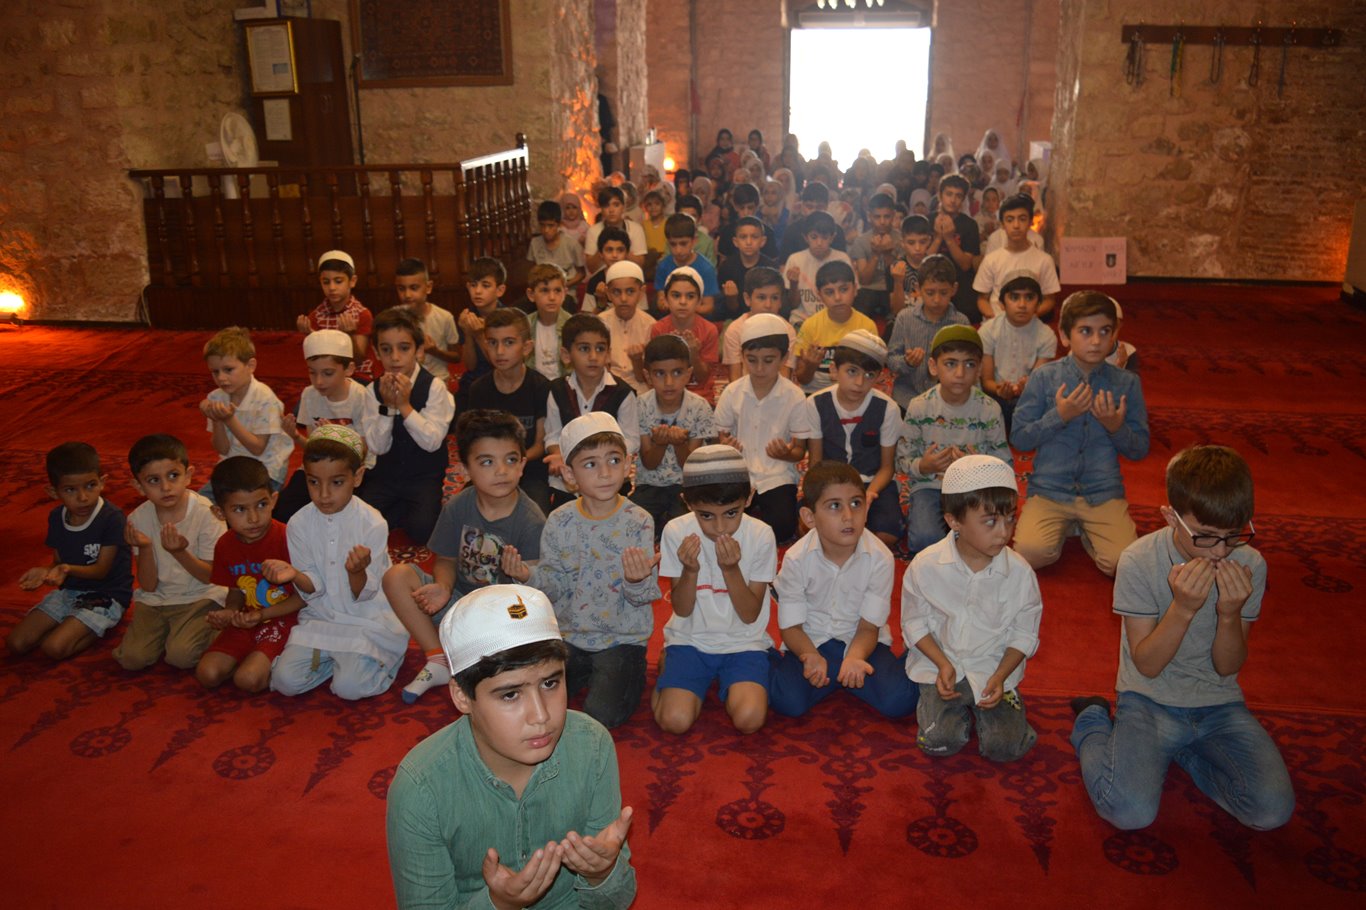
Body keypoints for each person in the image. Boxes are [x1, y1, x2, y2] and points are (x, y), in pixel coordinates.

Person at [1070, 445, 1293, 831]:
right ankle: (1091, 723)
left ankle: (1184, 754)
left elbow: (1228, 666)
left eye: (1233, 535)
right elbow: (1148, 664)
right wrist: (1184, 608)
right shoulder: (1139, 560)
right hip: (1148, 699)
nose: (1221, 551)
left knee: (1272, 811)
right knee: (1129, 812)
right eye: (1205, 537)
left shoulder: (1250, 563)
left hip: (1218, 703)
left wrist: (1229, 612)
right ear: (1171, 517)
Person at [385, 584, 636, 910]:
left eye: (550, 683)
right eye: (510, 694)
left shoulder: (592, 746)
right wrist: (497, 904)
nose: (541, 716)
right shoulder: (421, 786)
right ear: (462, 696)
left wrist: (601, 874)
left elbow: (617, 900)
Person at [502, 413, 660, 729]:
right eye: (590, 464)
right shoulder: (559, 521)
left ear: (628, 464)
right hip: (570, 636)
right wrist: (526, 576)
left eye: (613, 460)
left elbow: (643, 599)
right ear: (569, 475)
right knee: (532, 692)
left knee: (601, 715)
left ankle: (618, 673)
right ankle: (586, 670)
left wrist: (636, 579)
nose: (604, 473)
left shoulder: (638, 521)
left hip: (621, 639)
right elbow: (555, 585)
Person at [383, 410, 546, 703]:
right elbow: (445, 559)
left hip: (502, 617)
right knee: (396, 576)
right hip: (459, 605)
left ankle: (472, 656)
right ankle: (438, 660)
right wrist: (443, 588)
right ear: (465, 468)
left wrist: (520, 576)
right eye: (487, 462)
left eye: (510, 460)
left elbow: (533, 600)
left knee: (511, 658)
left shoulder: (531, 520)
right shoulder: (459, 505)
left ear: (522, 464)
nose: (501, 471)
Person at [902, 454, 1041, 762]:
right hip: (940, 667)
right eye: (990, 521)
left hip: (994, 668)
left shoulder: (1020, 573)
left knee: (1005, 749)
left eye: (1009, 519)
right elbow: (914, 625)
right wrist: (942, 664)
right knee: (938, 742)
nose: (1003, 532)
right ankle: (955, 711)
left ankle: (1001, 704)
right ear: (954, 521)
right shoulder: (925, 566)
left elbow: (1023, 634)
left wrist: (1001, 675)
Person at [1011, 292, 1149, 577]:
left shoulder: (1127, 383)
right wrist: (1059, 416)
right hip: (1050, 490)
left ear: (1115, 335)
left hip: (1102, 492)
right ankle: (1070, 526)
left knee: (1123, 565)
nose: (1096, 341)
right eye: (1085, 331)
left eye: (1104, 332)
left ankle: (1085, 529)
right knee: (1030, 555)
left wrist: (1115, 427)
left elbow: (1140, 449)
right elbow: (1020, 438)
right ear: (1064, 335)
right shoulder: (1044, 378)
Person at [768, 462, 920, 718]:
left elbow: (869, 627)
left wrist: (855, 657)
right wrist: (809, 656)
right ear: (809, 517)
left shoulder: (880, 557)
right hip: (812, 641)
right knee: (786, 702)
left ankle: (865, 669)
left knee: (900, 700)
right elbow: (791, 627)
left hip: (862, 641)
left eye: (856, 503)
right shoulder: (796, 558)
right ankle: (774, 659)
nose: (849, 516)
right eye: (835, 506)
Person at [268, 427, 406, 700]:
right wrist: (295, 575)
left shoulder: (372, 523)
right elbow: (313, 587)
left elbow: (365, 592)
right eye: (313, 482)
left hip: (364, 619)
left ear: (357, 477)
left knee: (349, 689)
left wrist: (356, 572)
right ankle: (340, 659)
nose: (324, 495)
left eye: (336, 482)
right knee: (285, 681)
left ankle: (378, 660)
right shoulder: (298, 523)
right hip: (321, 617)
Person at [654, 445, 777, 735]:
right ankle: (669, 662)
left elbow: (749, 615)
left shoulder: (760, 535)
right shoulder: (676, 531)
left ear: (748, 498)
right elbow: (682, 609)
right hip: (690, 640)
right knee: (675, 721)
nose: (720, 527)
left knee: (750, 720)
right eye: (706, 516)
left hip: (744, 642)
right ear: (687, 503)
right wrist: (691, 570)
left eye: (731, 513)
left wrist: (731, 569)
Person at [8, 442, 133, 661]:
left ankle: (102, 625)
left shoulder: (112, 518)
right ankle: (75, 624)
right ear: (53, 492)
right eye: (70, 490)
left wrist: (65, 569)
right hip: (69, 592)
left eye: (90, 485)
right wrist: (45, 571)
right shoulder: (57, 517)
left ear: (102, 482)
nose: (83, 497)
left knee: (53, 648)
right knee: (16, 643)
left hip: (107, 594)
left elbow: (101, 570)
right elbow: (58, 560)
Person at [112, 434, 225, 672]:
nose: (165, 487)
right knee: (132, 659)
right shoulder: (137, 519)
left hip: (200, 596)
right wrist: (144, 548)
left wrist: (179, 552)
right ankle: (175, 632)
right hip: (157, 600)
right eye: (153, 480)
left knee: (181, 657)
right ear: (138, 486)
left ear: (189, 475)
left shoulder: (207, 514)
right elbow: (149, 585)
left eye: (173, 475)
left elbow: (211, 577)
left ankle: (219, 629)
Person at [195, 456, 304, 692]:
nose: (254, 518)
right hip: (248, 619)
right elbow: (235, 591)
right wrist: (230, 611)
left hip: (286, 619)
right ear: (219, 512)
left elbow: (304, 598)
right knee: (207, 673)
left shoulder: (288, 538)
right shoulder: (224, 545)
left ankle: (268, 664)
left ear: (274, 500)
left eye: (261, 505)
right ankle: (254, 659)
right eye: (240, 509)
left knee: (248, 680)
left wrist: (263, 613)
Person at [899, 325, 1011, 555]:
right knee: (924, 540)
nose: (960, 373)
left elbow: (1005, 464)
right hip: (930, 486)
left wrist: (978, 468)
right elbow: (901, 460)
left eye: (969, 364)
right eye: (950, 363)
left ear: (979, 368)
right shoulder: (919, 406)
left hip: (975, 490)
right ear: (933, 366)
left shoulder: (989, 409)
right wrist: (924, 465)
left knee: (987, 539)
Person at [797, 329, 904, 547]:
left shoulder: (888, 408)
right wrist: (825, 495)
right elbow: (815, 463)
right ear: (834, 370)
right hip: (829, 483)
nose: (859, 382)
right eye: (852, 371)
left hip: (872, 483)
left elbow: (887, 467)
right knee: (804, 527)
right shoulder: (816, 404)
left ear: (878, 376)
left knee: (888, 535)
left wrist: (869, 495)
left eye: (869, 375)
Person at [358, 306, 455, 546]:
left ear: (419, 351)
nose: (395, 358)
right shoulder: (372, 391)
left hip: (424, 476)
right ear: (376, 352)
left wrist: (404, 406)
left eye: (404, 348)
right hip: (385, 476)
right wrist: (388, 409)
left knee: (423, 531)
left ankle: (405, 510)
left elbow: (432, 442)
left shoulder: (434, 388)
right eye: (386, 349)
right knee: (362, 525)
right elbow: (377, 447)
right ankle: (398, 508)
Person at [714, 313, 806, 544]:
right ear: (742, 356)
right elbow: (719, 439)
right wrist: (725, 447)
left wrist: (786, 453)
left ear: (784, 357)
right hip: (738, 472)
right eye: (752, 359)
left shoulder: (794, 396)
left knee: (782, 529)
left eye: (768, 360)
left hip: (777, 474)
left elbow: (799, 452)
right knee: (720, 523)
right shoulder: (732, 392)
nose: (759, 368)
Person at [544, 314, 640, 511]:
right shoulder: (557, 390)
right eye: (584, 348)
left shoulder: (623, 392)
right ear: (566, 355)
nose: (593, 356)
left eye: (600, 348)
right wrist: (560, 456)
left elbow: (631, 439)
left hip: (609, 479)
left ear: (608, 354)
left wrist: (597, 455)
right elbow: (553, 436)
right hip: (568, 481)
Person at [275, 329, 373, 523]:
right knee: (283, 512)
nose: (319, 381)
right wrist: (295, 436)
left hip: (354, 467)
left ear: (348, 369)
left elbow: (363, 450)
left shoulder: (362, 397)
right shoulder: (309, 395)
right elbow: (314, 449)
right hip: (319, 468)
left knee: (353, 516)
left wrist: (336, 436)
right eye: (313, 373)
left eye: (327, 373)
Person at [631, 335, 715, 537]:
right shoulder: (641, 405)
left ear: (688, 374)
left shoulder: (699, 407)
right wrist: (660, 444)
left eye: (677, 373)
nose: (669, 382)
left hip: (685, 486)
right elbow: (649, 463)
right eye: (660, 374)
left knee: (687, 529)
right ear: (648, 376)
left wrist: (679, 444)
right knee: (632, 523)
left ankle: (664, 521)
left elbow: (691, 466)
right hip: (649, 484)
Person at [471, 308, 552, 513]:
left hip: (529, 470)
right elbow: (474, 443)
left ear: (526, 348)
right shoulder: (479, 389)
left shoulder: (540, 387)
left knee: (536, 515)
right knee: (467, 511)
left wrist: (512, 462)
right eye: (492, 343)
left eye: (508, 342)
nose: (499, 351)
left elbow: (540, 444)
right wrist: (495, 465)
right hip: (489, 469)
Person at [198, 326, 293, 494]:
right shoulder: (216, 397)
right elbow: (223, 449)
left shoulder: (265, 399)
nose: (221, 378)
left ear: (250, 365)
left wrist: (229, 420)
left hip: (265, 470)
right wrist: (216, 419)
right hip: (233, 466)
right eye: (215, 372)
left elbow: (257, 448)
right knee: (203, 505)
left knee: (240, 507)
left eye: (228, 370)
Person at [887, 254, 971, 410]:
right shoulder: (905, 318)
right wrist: (907, 363)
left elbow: (968, 365)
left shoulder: (961, 323)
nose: (937, 300)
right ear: (918, 289)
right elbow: (891, 359)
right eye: (930, 293)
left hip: (948, 399)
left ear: (954, 289)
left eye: (944, 293)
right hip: (907, 397)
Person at [978, 271, 1057, 434]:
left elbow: (1037, 382)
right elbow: (986, 381)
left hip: (1028, 397)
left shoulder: (1047, 335)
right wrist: (999, 390)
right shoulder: (988, 330)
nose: (1022, 304)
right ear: (1001, 303)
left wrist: (1024, 389)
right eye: (1014, 297)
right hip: (994, 394)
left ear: (1038, 303)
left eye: (1029, 297)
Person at [792, 259, 877, 393]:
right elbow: (802, 379)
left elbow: (871, 375)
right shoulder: (810, 326)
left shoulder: (867, 326)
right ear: (819, 295)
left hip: (854, 391)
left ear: (855, 289)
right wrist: (811, 366)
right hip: (815, 392)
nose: (837, 297)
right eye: (829, 292)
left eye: (844, 289)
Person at [973, 194, 1060, 320]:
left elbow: (1049, 300)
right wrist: (996, 319)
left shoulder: (1044, 260)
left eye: (1022, 219)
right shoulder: (991, 259)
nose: (1016, 225)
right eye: (1010, 219)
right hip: (996, 325)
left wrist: (1029, 316)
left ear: (1030, 222)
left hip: (1030, 326)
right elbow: (982, 299)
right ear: (1002, 224)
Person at [296, 250, 376, 382]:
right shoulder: (316, 315)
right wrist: (310, 335)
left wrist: (349, 336)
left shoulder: (362, 314)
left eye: (338, 281)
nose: (332, 287)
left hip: (357, 376)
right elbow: (314, 359)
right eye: (326, 282)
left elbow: (358, 359)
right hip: (326, 375)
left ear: (352, 281)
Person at [650, 267, 719, 396]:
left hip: (700, 395)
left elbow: (703, 378)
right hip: (666, 394)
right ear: (665, 299)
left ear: (699, 301)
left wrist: (693, 353)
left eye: (690, 296)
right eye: (676, 295)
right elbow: (655, 375)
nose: (683, 302)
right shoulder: (658, 329)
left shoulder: (709, 330)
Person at [723, 267, 796, 381]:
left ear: (781, 301)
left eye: (774, 298)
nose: (768, 305)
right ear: (747, 299)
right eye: (761, 297)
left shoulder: (787, 330)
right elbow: (735, 377)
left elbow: (785, 376)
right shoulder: (735, 329)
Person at [455, 256, 509, 412]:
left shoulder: (507, 319)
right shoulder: (468, 316)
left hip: (501, 380)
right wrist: (468, 333)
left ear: (500, 290)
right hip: (474, 379)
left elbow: (499, 363)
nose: (478, 291)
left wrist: (479, 335)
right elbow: (470, 366)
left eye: (485, 285)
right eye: (473, 285)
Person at [927, 175, 982, 324]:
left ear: (963, 199)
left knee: (970, 314)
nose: (953, 200)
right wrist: (938, 238)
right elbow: (922, 262)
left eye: (958, 196)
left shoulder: (970, 225)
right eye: (948, 194)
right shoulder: (929, 220)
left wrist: (950, 239)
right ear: (940, 195)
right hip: (932, 277)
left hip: (960, 279)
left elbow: (965, 265)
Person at [784, 211, 854, 330]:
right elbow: (793, 304)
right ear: (805, 237)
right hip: (802, 321)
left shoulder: (842, 259)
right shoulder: (795, 259)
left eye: (824, 237)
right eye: (814, 237)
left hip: (835, 320)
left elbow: (850, 297)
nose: (819, 243)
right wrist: (793, 283)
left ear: (832, 237)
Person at [595, 260, 656, 394]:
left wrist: (637, 360)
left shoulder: (651, 325)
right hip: (605, 390)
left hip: (641, 391)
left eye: (630, 291)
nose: (623, 298)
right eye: (617, 292)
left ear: (642, 292)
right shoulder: (600, 323)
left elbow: (646, 379)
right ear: (608, 293)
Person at [396, 257, 460, 383]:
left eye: (414, 288)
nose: (407, 295)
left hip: (438, 379)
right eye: (401, 288)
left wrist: (434, 351)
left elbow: (457, 357)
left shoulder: (444, 317)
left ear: (428, 287)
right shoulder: (393, 318)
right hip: (404, 380)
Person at [653, 214, 721, 320]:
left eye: (683, 244)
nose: (678, 250)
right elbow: (661, 299)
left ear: (694, 241)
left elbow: (708, 306)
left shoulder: (706, 268)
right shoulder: (663, 266)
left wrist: (683, 308)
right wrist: (663, 304)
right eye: (673, 244)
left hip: (698, 321)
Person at [716, 215, 780, 326]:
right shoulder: (726, 268)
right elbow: (728, 310)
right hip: (735, 321)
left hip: (767, 318)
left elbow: (776, 304)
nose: (749, 242)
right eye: (743, 237)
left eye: (754, 237)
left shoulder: (771, 268)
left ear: (763, 241)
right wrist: (732, 298)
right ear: (735, 242)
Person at [848, 192, 901, 321]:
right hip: (868, 290)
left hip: (894, 289)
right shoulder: (861, 241)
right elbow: (864, 280)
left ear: (893, 216)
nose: (882, 222)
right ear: (869, 216)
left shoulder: (900, 239)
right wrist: (876, 254)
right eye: (877, 217)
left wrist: (888, 254)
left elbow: (899, 278)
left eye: (886, 216)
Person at [528, 200, 586, 307]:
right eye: (543, 225)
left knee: (566, 304)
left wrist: (562, 286)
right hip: (542, 292)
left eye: (551, 226)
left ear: (559, 225)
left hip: (566, 292)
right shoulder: (535, 243)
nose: (546, 230)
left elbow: (581, 273)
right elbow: (532, 271)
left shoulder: (571, 244)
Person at [523, 263, 572, 382]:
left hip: (565, 387)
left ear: (565, 293)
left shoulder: (573, 325)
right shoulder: (524, 325)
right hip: (534, 388)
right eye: (545, 291)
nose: (552, 297)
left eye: (557, 291)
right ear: (531, 295)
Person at [585, 186, 647, 272]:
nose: (611, 210)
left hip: (629, 275)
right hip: (602, 277)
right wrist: (603, 245)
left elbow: (640, 264)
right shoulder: (593, 231)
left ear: (623, 207)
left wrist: (622, 246)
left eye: (616, 205)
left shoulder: (636, 229)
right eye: (606, 206)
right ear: (601, 209)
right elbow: (591, 268)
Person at [888, 214, 935, 319]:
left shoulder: (936, 267)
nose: (917, 248)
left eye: (922, 242)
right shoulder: (895, 268)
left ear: (929, 240)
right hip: (903, 320)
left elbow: (938, 306)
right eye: (911, 243)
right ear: (902, 243)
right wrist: (898, 282)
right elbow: (897, 311)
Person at [582, 226, 632, 315]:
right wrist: (600, 305)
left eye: (620, 250)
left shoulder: (635, 279)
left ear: (627, 253)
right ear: (601, 254)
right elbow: (587, 319)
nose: (615, 255)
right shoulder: (594, 281)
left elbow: (641, 314)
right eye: (609, 250)